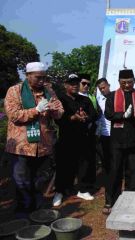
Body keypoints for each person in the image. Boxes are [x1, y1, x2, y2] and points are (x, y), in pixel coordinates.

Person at [4, 62, 64, 214]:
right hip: (21, 147)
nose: (42, 81)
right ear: (28, 75)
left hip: (43, 145)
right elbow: (14, 115)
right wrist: (36, 110)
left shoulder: (48, 91)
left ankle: (38, 212)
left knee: (39, 180)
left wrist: (53, 110)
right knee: (22, 181)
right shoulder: (15, 91)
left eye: (44, 77)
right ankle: (23, 214)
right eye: (38, 77)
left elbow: (60, 111)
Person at [104, 69, 135, 212]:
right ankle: (111, 200)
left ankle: (132, 199)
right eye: (123, 82)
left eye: (129, 82)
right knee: (114, 170)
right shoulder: (112, 96)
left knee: (134, 171)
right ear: (119, 82)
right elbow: (108, 114)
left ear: (134, 81)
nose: (127, 85)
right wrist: (123, 115)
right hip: (117, 140)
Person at [52, 74, 98, 207]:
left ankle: (83, 189)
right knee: (64, 165)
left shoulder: (85, 99)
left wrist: (86, 117)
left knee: (84, 164)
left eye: (77, 83)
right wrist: (72, 118)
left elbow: (94, 114)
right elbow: (57, 118)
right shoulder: (60, 100)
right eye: (71, 83)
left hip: (83, 137)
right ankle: (60, 191)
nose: (74, 85)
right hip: (67, 138)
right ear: (65, 85)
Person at [95, 78, 112, 214]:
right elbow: (98, 117)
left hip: (116, 135)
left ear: (108, 85)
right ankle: (109, 191)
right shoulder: (99, 100)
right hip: (104, 135)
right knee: (106, 165)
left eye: (104, 87)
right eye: (100, 88)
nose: (102, 90)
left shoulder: (116, 97)